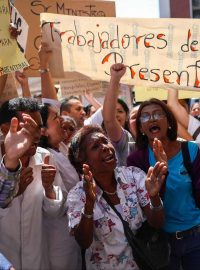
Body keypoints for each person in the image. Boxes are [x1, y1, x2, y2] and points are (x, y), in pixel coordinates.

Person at [67, 125, 167, 270]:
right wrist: (89, 204)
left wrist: (154, 197)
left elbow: (157, 223)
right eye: (95, 147)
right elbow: (83, 242)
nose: (105, 147)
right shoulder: (77, 195)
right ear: (84, 162)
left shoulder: (133, 175)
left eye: (105, 141)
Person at [127, 98, 200, 270]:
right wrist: (161, 177)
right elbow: (142, 205)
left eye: (158, 114)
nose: (152, 119)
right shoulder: (137, 160)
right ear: (141, 129)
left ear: (169, 122)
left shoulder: (191, 150)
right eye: (144, 117)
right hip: (160, 242)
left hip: (196, 237)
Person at [0, 98, 64, 270]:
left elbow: (55, 213)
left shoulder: (45, 158)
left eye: (39, 127)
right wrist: (12, 192)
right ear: (6, 128)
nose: (37, 134)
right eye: (27, 126)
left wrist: (49, 188)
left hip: (37, 261)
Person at [39, 103, 82, 270]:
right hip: (59, 238)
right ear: (43, 130)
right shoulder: (46, 157)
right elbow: (55, 208)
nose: (61, 120)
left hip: (72, 235)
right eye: (55, 118)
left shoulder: (62, 148)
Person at [103, 63, 134, 166]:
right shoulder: (114, 139)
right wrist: (115, 78)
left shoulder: (130, 138)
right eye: (113, 111)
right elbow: (109, 120)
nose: (116, 115)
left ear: (126, 117)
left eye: (120, 111)